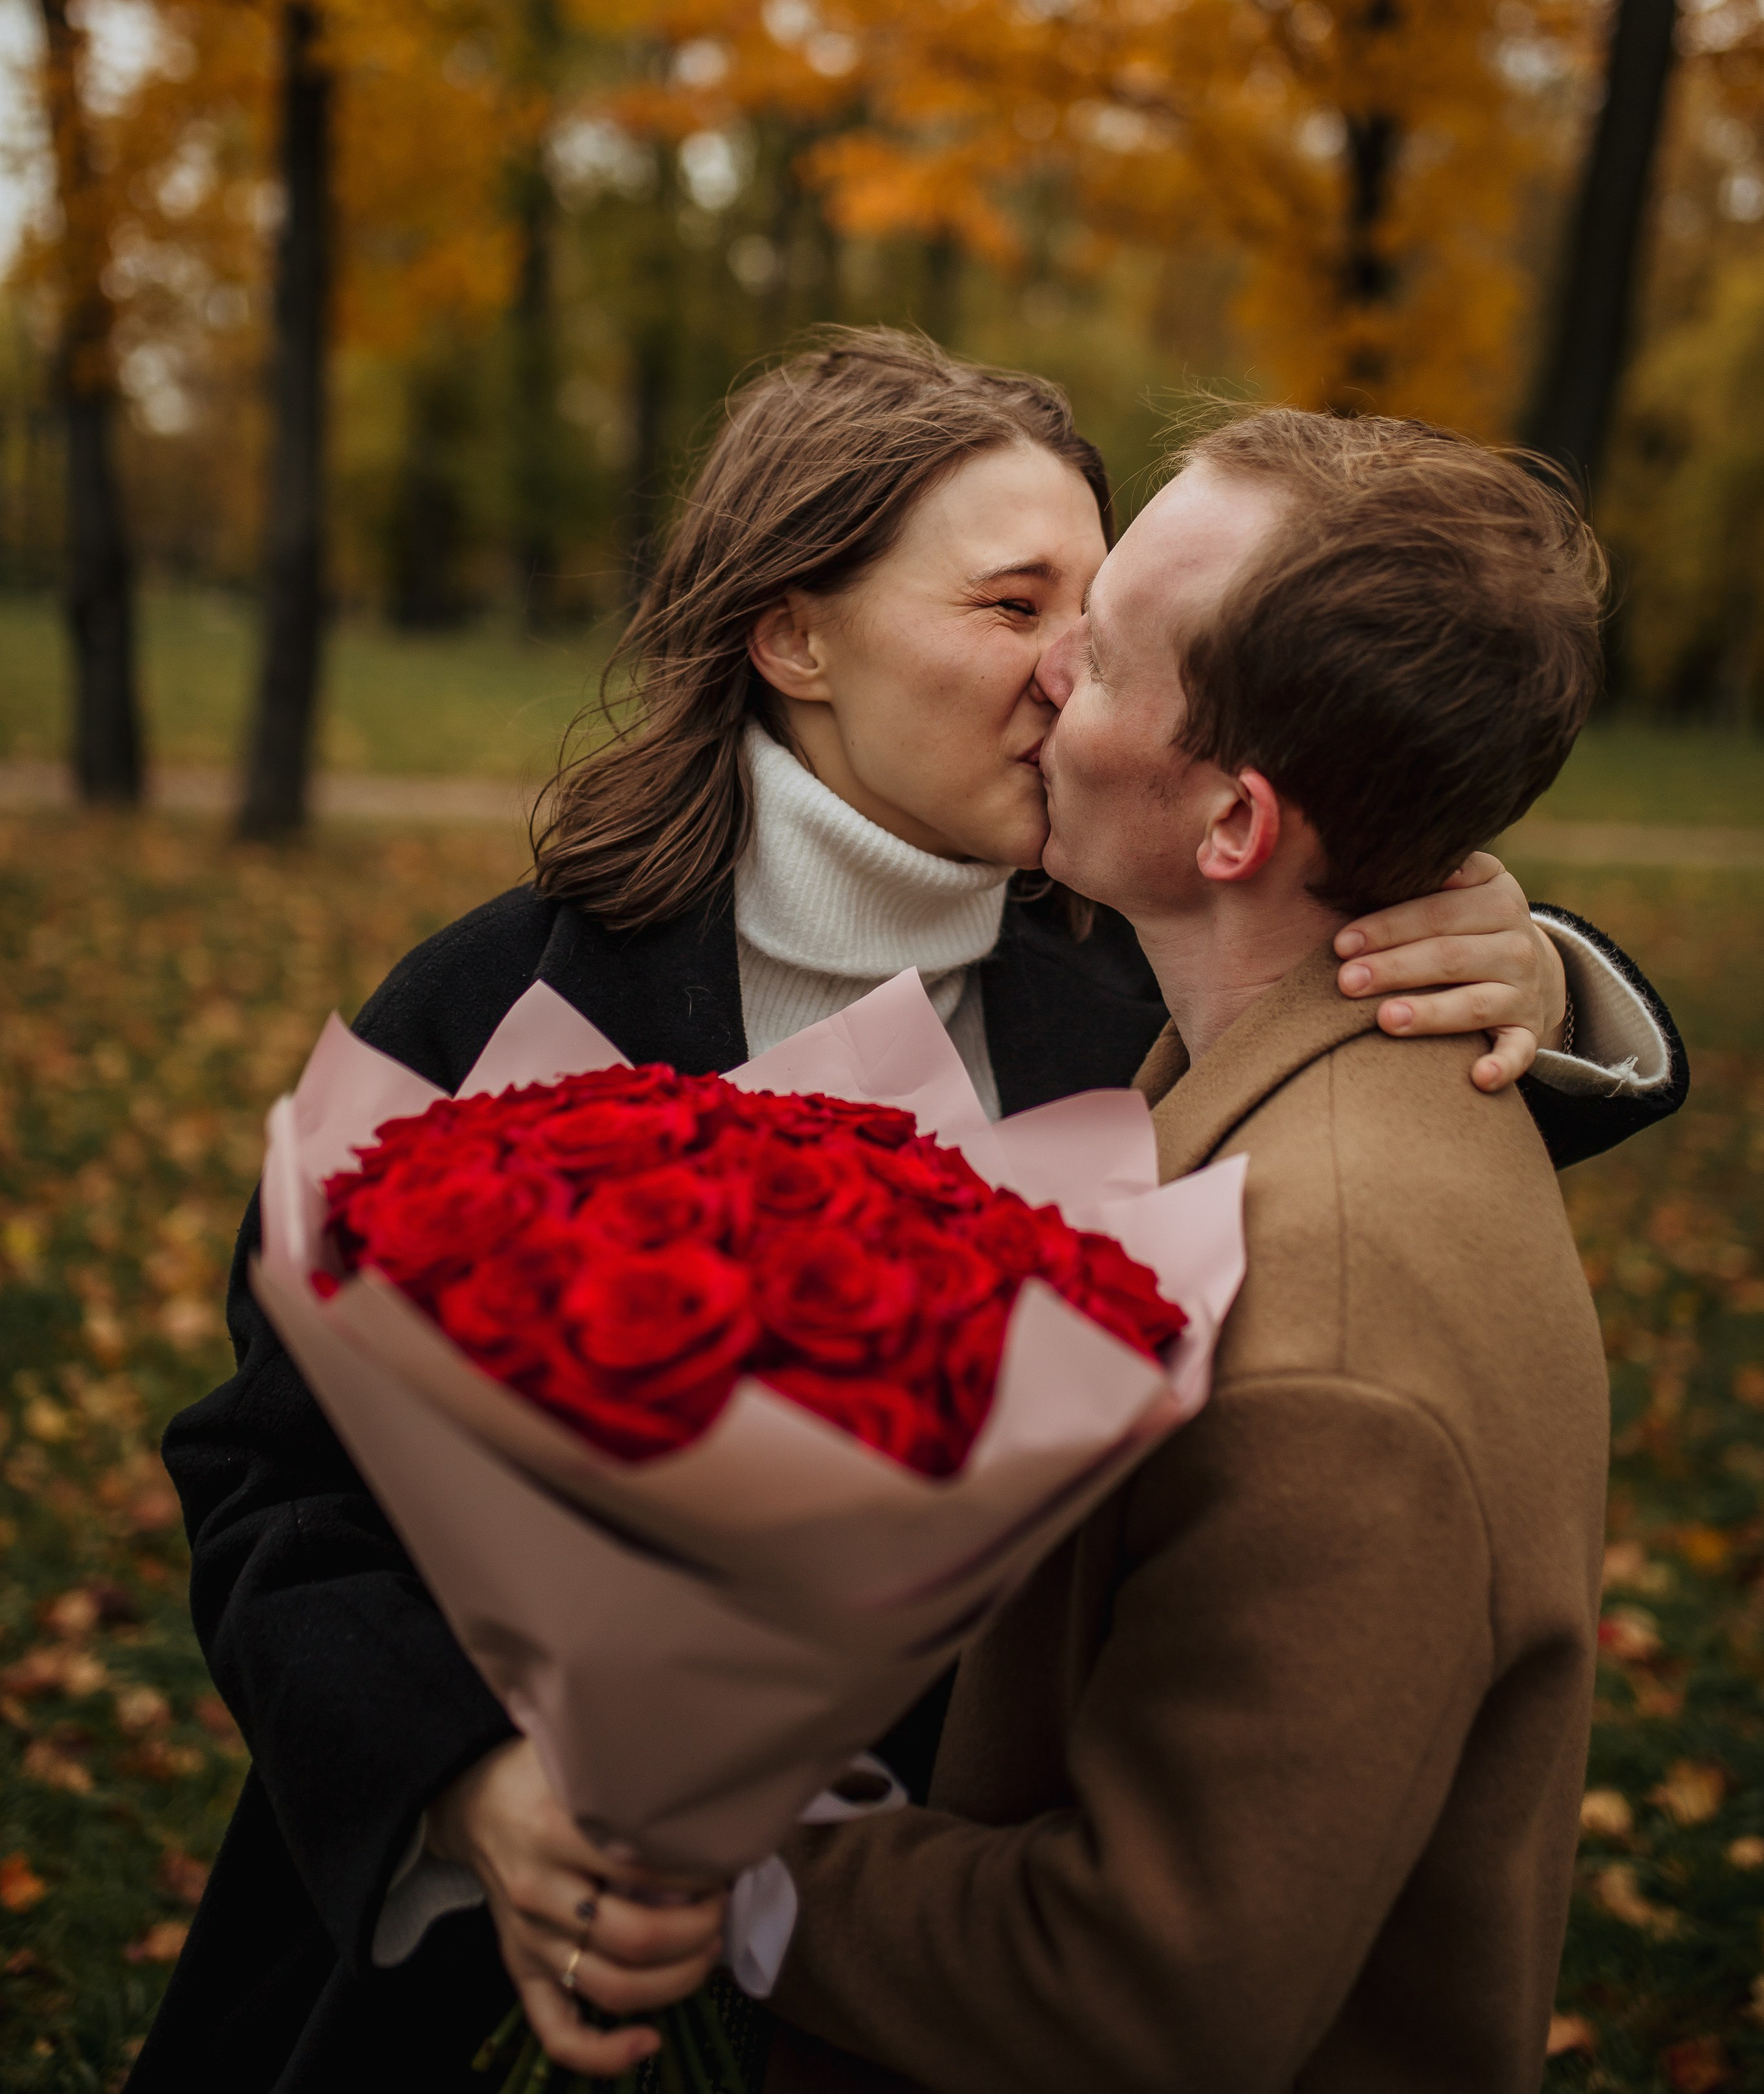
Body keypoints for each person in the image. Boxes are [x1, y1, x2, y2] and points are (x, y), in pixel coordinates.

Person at [128, 341, 1683, 2094]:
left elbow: (1350, 1190)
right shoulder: (503, 998)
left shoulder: (1124, 977)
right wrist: (471, 1784)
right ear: (795, 637)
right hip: (470, 1957)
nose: (1071, 667)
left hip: (921, 1975)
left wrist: (1532, 961)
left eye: (1096, 613)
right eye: (1011, 604)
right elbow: (270, 1478)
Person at [759, 409, 1641, 2094]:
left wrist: (717, 1862)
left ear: (1233, 827)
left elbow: (1140, 1995)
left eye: (1096, 660)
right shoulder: (1248, 1073)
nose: (1047, 683)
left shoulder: (1316, 1332)